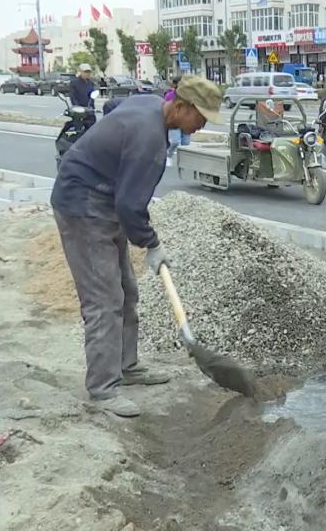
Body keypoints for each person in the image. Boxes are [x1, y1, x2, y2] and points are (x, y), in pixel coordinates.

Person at [51, 76, 223, 418]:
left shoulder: (148, 105)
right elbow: (131, 206)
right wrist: (152, 244)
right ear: (181, 107)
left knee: (127, 291)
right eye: (200, 117)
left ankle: (126, 366)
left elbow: (114, 109)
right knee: (105, 300)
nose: (201, 126)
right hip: (83, 206)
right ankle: (102, 389)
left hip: (104, 199)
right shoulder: (149, 141)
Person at [163, 76, 191, 164]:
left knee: (186, 142)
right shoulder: (170, 95)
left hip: (186, 121)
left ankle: (183, 161)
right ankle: (168, 154)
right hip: (174, 121)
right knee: (175, 141)